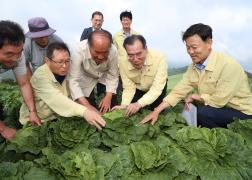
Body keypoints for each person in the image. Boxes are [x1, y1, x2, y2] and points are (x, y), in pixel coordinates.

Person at [141, 23, 252, 128]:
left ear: (209, 43)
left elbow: (218, 101)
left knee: (202, 113)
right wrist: (156, 111)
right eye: (188, 48)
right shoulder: (194, 67)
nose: (190, 52)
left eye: (194, 47)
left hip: (242, 112)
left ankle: (227, 137)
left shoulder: (228, 65)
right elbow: (178, 91)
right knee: (193, 109)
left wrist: (195, 96)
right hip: (219, 108)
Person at [19, 42, 106, 130]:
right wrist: (85, 112)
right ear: (47, 61)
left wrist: (91, 110)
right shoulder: (40, 76)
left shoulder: (69, 72)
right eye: (60, 62)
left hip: (58, 117)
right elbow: (56, 99)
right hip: (37, 121)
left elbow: (75, 93)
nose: (64, 66)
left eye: (67, 61)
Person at [0, 20, 41, 140]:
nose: (15, 58)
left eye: (19, 52)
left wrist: (32, 111)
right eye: (9, 54)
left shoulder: (18, 56)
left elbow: (23, 84)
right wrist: (3, 128)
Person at [112, 35, 168, 116]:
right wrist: (124, 105)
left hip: (156, 86)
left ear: (146, 49)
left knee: (157, 111)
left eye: (139, 54)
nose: (135, 59)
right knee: (133, 112)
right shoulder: (122, 62)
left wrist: (139, 104)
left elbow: (157, 88)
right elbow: (128, 87)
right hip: (138, 87)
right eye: (130, 55)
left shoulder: (160, 57)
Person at [69, 30, 119, 114]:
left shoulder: (113, 51)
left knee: (111, 104)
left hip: (104, 75)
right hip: (85, 76)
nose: (100, 57)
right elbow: (73, 80)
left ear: (110, 47)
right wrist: (88, 106)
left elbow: (113, 76)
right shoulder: (79, 50)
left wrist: (108, 97)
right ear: (89, 46)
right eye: (97, 52)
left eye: (105, 52)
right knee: (86, 106)